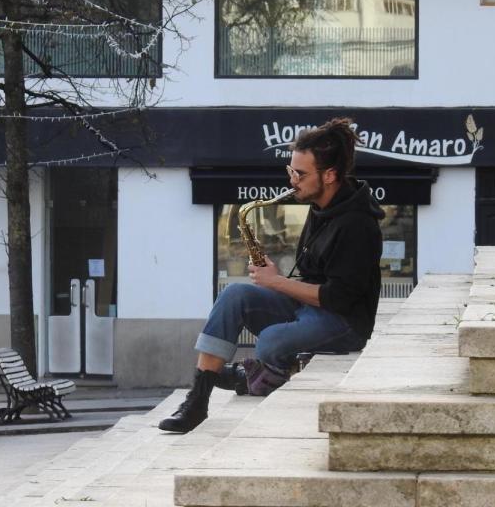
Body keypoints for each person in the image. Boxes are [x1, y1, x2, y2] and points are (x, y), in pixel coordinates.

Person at [159, 118, 385, 433]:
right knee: (234, 295)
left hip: (344, 322)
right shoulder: (321, 207)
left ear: (330, 175)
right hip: (312, 308)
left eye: (301, 174)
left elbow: (339, 298)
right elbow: (312, 276)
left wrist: (277, 283)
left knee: (270, 341)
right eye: (291, 171)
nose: (292, 181)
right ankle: (197, 400)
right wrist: (277, 278)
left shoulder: (358, 225)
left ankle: (255, 375)